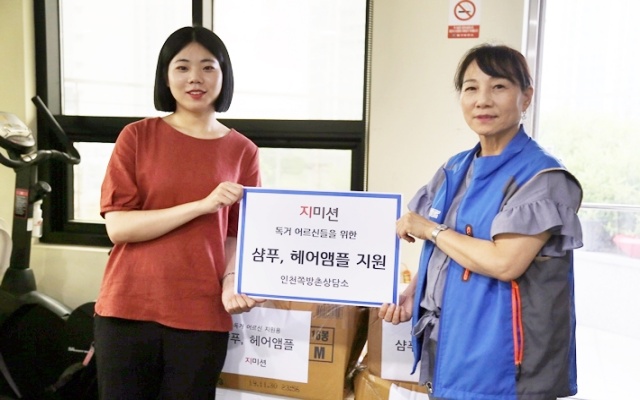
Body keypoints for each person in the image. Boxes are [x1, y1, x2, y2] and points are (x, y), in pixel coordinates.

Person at [379, 43, 583, 400]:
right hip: (451, 346)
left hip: (507, 364)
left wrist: (430, 229)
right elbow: (445, 252)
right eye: (471, 88)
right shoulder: (454, 167)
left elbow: (505, 263)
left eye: (499, 87)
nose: (482, 100)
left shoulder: (542, 176)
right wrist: (415, 292)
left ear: (526, 97)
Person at [94, 26, 263, 399]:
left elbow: (237, 234)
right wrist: (202, 206)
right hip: (127, 307)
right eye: (182, 67)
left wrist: (232, 281)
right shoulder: (136, 136)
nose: (195, 78)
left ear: (224, 75)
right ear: (166, 77)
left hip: (202, 313)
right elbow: (119, 227)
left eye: (208, 67)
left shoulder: (243, 150)